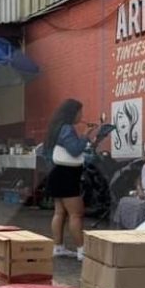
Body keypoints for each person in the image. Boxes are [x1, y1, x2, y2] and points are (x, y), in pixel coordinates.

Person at [43, 99, 99, 261]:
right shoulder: (67, 128)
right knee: (76, 214)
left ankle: (58, 247)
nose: (81, 116)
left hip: (55, 173)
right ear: (72, 113)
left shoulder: (55, 128)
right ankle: (82, 251)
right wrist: (86, 136)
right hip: (66, 175)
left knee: (59, 212)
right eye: (80, 112)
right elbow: (75, 150)